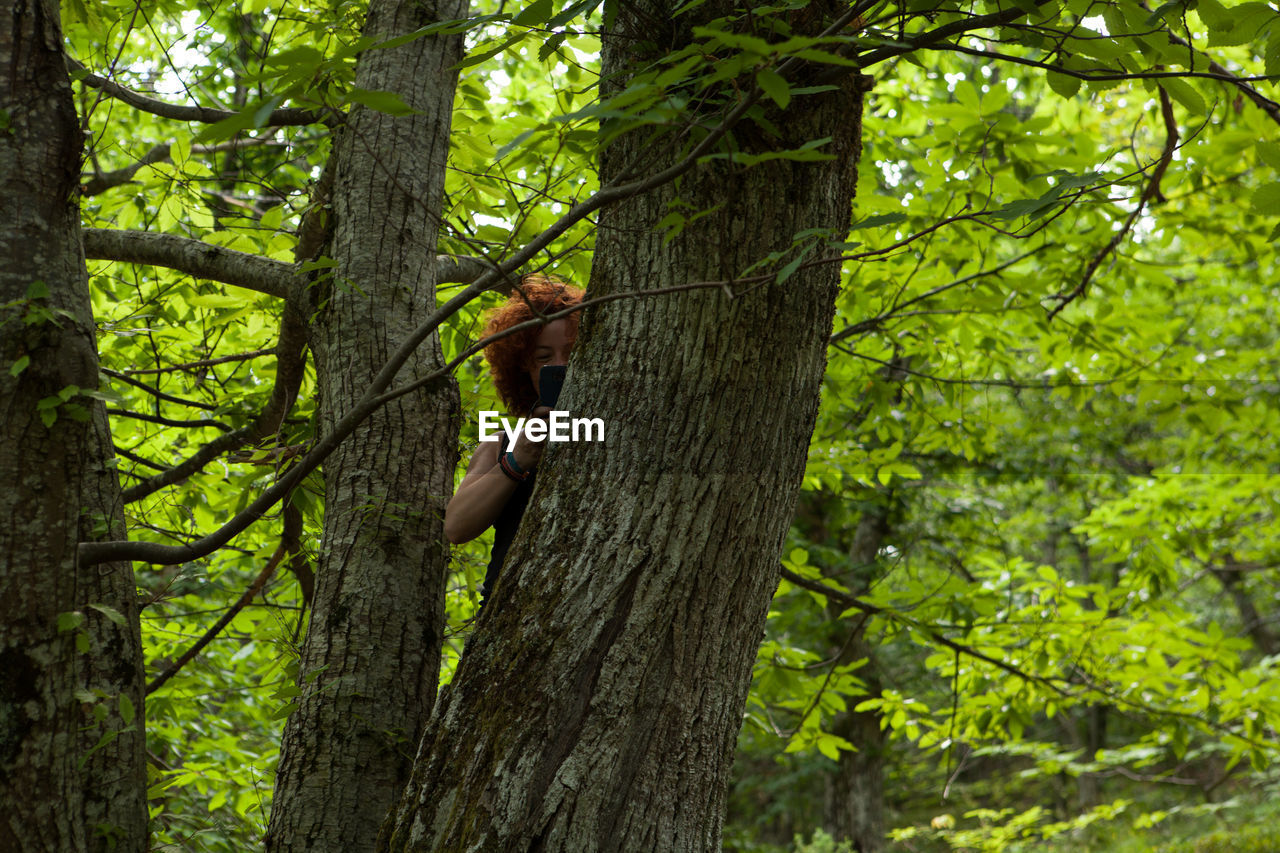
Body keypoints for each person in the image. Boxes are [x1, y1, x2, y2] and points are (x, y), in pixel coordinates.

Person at [444, 274, 584, 604]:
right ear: (524, 369)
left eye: (571, 352)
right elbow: (456, 527)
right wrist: (516, 461)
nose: (560, 366)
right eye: (543, 358)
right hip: (509, 614)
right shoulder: (502, 443)